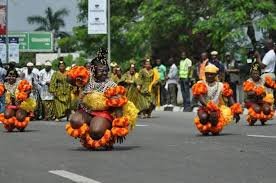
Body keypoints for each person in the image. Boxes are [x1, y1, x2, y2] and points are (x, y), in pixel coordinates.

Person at [65, 48, 138, 150]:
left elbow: (118, 106)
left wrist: (119, 128)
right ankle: (87, 136)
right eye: (101, 70)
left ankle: (107, 138)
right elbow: (69, 79)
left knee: (96, 132)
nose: (104, 73)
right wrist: (76, 75)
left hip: (103, 114)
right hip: (86, 111)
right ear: (94, 70)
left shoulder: (111, 85)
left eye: (106, 71)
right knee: (75, 121)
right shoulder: (87, 79)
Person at [192, 64, 242, 135]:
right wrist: (209, 107)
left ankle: (214, 127)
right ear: (205, 74)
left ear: (215, 75)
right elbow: (201, 99)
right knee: (203, 117)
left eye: (211, 74)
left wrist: (236, 112)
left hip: (217, 109)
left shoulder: (221, 85)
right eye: (207, 74)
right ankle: (205, 127)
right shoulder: (200, 83)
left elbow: (230, 98)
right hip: (204, 108)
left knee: (214, 118)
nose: (209, 76)